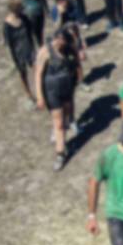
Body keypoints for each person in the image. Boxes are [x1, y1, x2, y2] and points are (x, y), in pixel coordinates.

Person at [35, 26, 82, 171]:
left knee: (65, 117)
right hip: (52, 91)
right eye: (59, 41)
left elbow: (77, 61)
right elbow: (38, 75)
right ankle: (60, 153)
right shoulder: (45, 52)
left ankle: (59, 133)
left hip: (66, 89)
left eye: (64, 42)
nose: (60, 44)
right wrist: (40, 97)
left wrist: (79, 76)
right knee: (59, 123)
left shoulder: (69, 48)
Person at [3, 0, 36, 107]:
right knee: (23, 73)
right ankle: (29, 95)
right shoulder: (7, 25)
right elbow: (8, 43)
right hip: (18, 52)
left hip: (29, 48)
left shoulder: (24, 18)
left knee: (36, 68)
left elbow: (31, 31)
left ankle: (40, 90)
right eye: (20, 8)